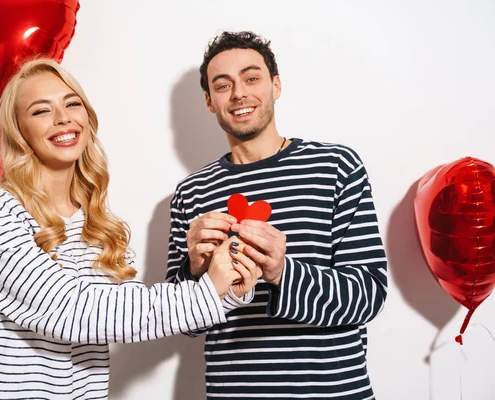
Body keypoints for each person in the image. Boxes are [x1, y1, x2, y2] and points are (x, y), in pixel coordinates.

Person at [0, 58, 261, 399]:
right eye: (41, 111)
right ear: (18, 131)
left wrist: (227, 284)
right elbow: (72, 310)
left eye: (73, 104)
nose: (63, 118)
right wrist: (206, 291)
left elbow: (122, 312)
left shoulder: (100, 228)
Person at [165, 31, 388, 399]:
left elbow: (368, 293)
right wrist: (194, 270)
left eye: (252, 78)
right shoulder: (192, 193)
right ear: (209, 101)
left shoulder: (335, 167)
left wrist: (283, 272)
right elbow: (180, 321)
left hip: (333, 392)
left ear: (276, 86)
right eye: (223, 85)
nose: (239, 94)